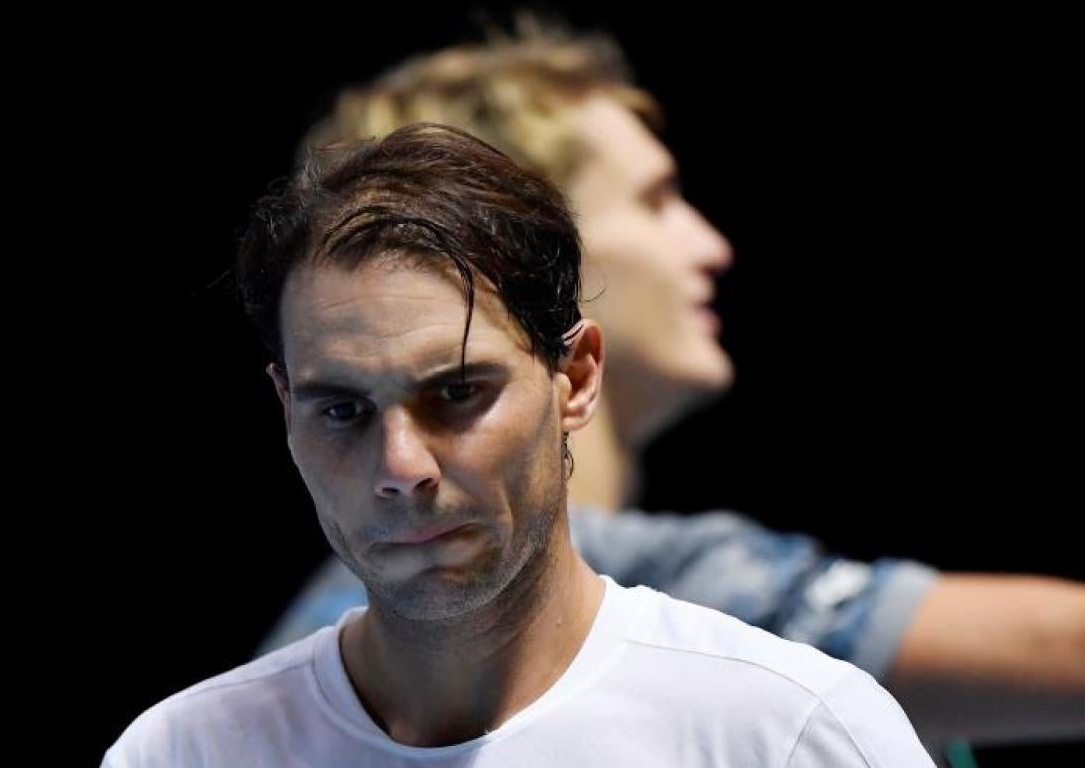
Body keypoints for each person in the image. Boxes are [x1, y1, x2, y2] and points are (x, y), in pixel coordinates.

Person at [259, 27, 1085, 750]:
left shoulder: (309, 655)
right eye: (656, 201)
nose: (710, 245)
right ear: (536, 248)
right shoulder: (636, 594)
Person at [103, 122, 933, 767]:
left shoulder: (790, 734)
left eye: (457, 393)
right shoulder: (184, 752)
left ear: (573, 377)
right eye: (343, 411)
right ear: (285, 408)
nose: (401, 467)